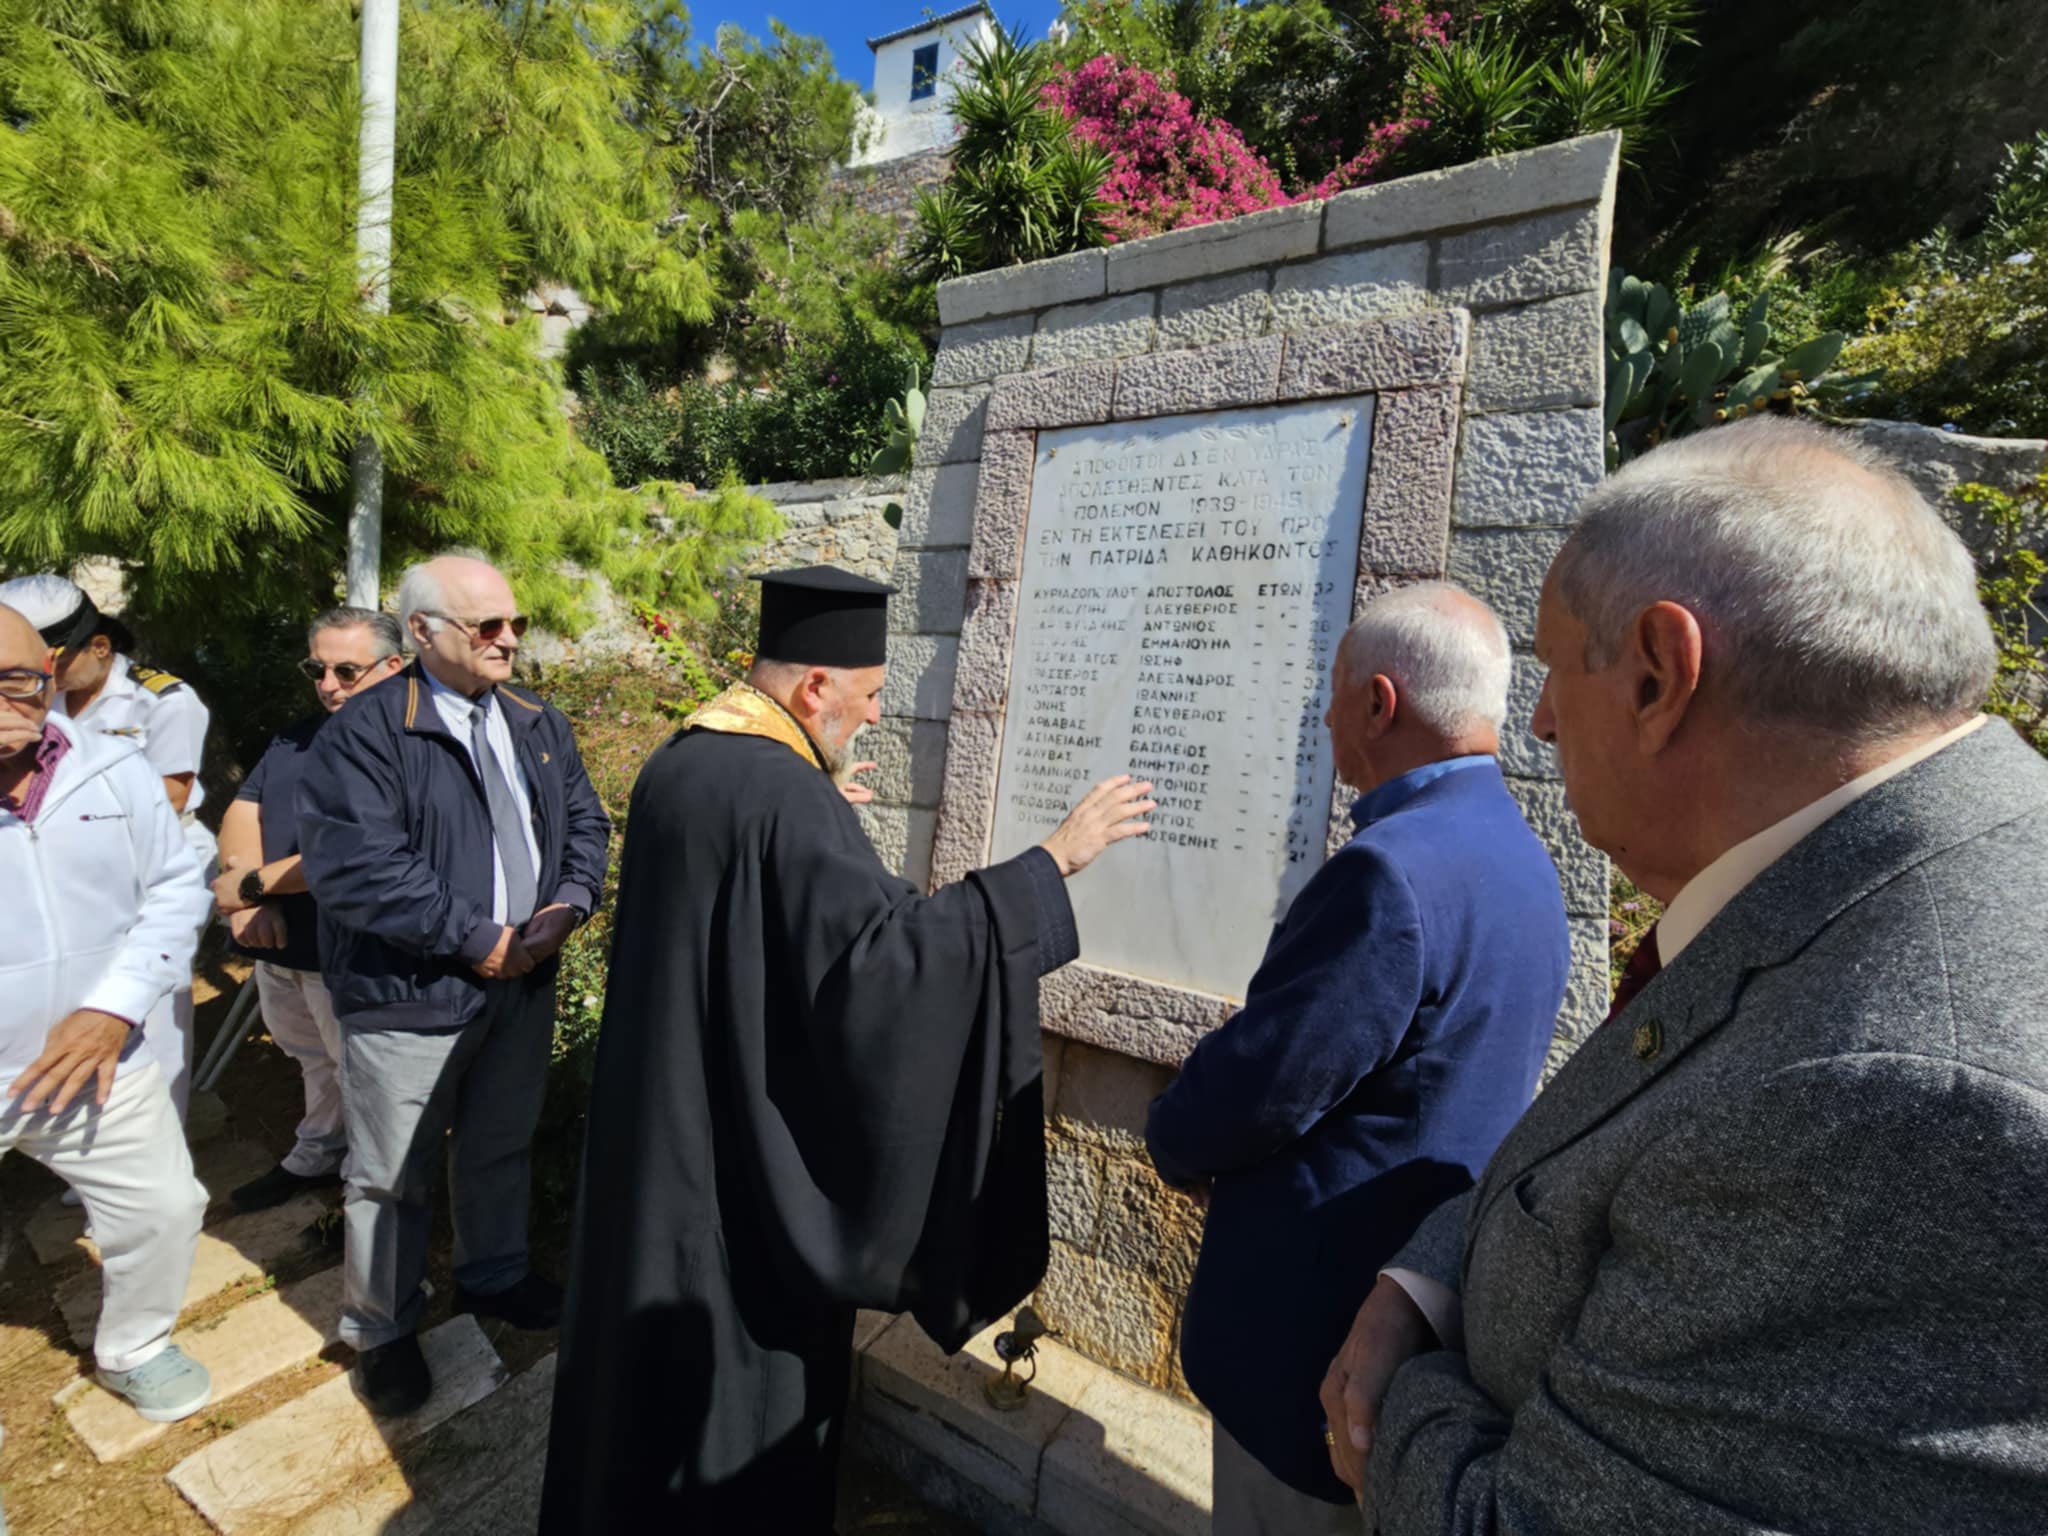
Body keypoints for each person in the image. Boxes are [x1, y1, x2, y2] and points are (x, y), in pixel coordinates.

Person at [1321, 416, 2048, 1532]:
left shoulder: (1893, 1092)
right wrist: (1422, 1284)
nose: (1542, 720)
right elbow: (1594, 1151)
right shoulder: (1836, 886)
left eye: (1561, 667)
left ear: (1659, 675)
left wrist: (1401, 1397)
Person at [539, 566, 1155, 1533]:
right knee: (731, 1436)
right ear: (812, 688)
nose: (870, 719)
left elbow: (751, 934)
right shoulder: (786, 799)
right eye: (867, 698)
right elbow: (881, 975)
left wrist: (821, 805)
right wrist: (1048, 869)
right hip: (735, 1203)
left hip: (659, 1150)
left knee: (632, 1414)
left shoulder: (688, 762)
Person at [1144, 583, 1569, 1535]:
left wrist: (1170, 1136)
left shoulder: (1388, 871)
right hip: (1413, 1315)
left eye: (1332, 695)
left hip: (1316, 1340)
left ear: (1378, 703)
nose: (1324, 717)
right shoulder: (1518, 854)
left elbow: (1263, 1086)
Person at [296, 555, 609, 1416]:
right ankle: (382, 1328)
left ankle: (496, 1274)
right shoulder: (363, 735)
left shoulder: (535, 720)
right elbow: (358, 866)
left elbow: (584, 819)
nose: (510, 639)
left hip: (520, 980)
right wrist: (477, 938)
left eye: (514, 622)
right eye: (488, 627)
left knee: (499, 1142)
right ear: (425, 633)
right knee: (390, 1176)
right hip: (411, 992)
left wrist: (569, 906)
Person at [0, 602, 213, 1422]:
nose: (4, 702)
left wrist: (115, 1009)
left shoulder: (113, 766)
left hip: (95, 1058)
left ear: (47, 673)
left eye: (17, 681)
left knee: (164, 1208)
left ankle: (136, 1345)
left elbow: (172, 886)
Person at [211, 607, 407, 1212]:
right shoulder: (297, 736)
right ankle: (320, 1152)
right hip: (280, 944)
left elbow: (349, 853)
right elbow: (245, 810)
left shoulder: (404, 745)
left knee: (363, 1075)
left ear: (394, 667)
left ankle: (371, 1196)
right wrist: (243, 901)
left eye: (346, 671)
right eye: (317, 669)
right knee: (311, 1060)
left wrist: (249, 889)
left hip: (348, 952)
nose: (328, 685)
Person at [0, 573, 214, 1122]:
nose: (44, 677)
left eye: (57, 661)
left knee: (153, 1000)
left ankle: (160, 1122)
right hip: (65, 862)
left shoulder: (162, 700)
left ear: (99, 647)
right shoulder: (38, 698)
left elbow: (171, 792)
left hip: (155, 861)